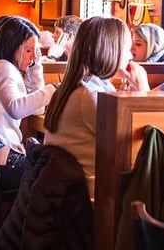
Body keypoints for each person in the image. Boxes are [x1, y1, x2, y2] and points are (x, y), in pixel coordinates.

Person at [44, 16, 148, 197]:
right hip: (87, 202)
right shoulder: (88, 95)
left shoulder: (84, 86)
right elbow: (136, 145)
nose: (131, 55)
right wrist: (142, 90)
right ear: (109, 51)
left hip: (64, 196)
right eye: (126, 49)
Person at [0, 16, 57, 191]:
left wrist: (36, 67)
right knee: (55, 174)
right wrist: (53, 89)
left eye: (35, 51)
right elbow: (16, 109)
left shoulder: (1, 67)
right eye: (28, 50)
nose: (32, 56)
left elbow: (37, 109)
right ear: (13, 46)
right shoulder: (2, 67)